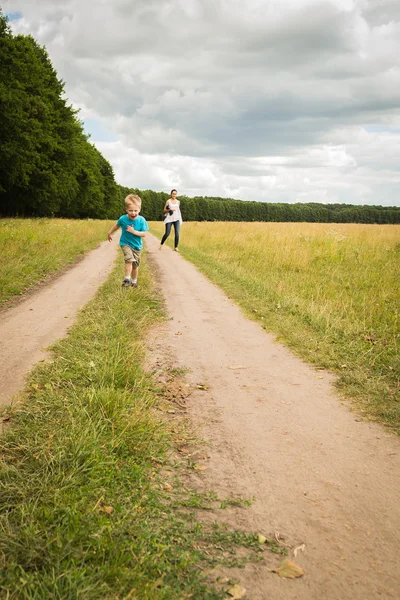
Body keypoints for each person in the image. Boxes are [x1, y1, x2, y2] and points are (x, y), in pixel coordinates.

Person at [107, 194, 149, 288]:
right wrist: (109, 233)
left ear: (139, 209)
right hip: (125, 243)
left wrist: (134, 231)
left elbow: (144, 234)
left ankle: (134, 282)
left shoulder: (141, 220)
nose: (133, 213)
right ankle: (126, 279)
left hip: (137, 246)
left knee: (135, 265)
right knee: (129, 259)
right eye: (130, 210)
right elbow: (117, 225)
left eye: (136, 211)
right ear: (126, 209)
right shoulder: (123, 219)